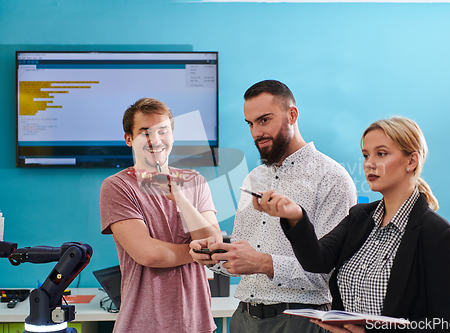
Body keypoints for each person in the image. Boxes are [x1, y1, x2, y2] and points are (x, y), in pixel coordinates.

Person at [255, 116, 450, 332]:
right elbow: (317, 260)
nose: (369, 163)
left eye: (381, 153)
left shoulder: (439, 235)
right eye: (366, 155)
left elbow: (449, 324)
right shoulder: (360, 216)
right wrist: (296, 217)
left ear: (411, 161)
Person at [190, 80, 358, 333]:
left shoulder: (332, 179)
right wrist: (213, 256)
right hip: (243, 320)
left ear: (292, 115)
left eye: (264, 120)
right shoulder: (254, 178)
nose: (256, 132)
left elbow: (328, 274)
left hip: (300, 322)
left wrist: (263, 263)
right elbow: (244, 259)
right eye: (250, 123)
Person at [100, 98, 222, 333]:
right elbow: (148, 254)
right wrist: (201, 253)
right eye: (145, 132)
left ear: (172, 136)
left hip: (197, 324)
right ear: (128, 139)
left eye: (163, 131)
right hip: (142, 325)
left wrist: (181, 199)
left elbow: (215, 245)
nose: (155, 140)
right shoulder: (117, 186)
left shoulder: (195, 182)